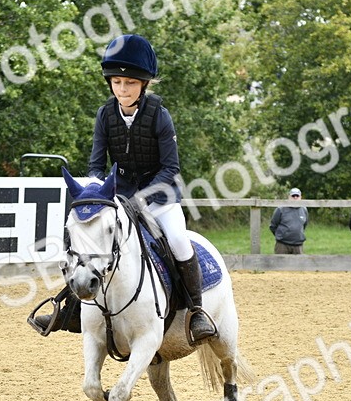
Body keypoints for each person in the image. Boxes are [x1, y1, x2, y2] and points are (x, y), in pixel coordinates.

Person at [30, 34, 217, 344]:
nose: (122, 90)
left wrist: (141, 199)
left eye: (129, 83)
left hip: (160, 199)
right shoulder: (105, 115)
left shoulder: (159, 115)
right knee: (86, 239)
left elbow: (172, 169)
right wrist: (93, 192)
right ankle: (72, 309)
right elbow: (95, 165)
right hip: (118, 197)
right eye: (116, 82)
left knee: (179, 242)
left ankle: (196, 312)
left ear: (143, 84)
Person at [269, 188, 307, 254]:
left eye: (297, 196)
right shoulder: (280, 209)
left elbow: (304, 224)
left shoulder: (304, 209)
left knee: (299, 264)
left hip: (298, 245)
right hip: (282, 245)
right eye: (293, 196)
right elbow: (273, 225)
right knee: (280, 263)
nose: (295, 197)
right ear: (289, 197)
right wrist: (281, 236)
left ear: (301, 197)